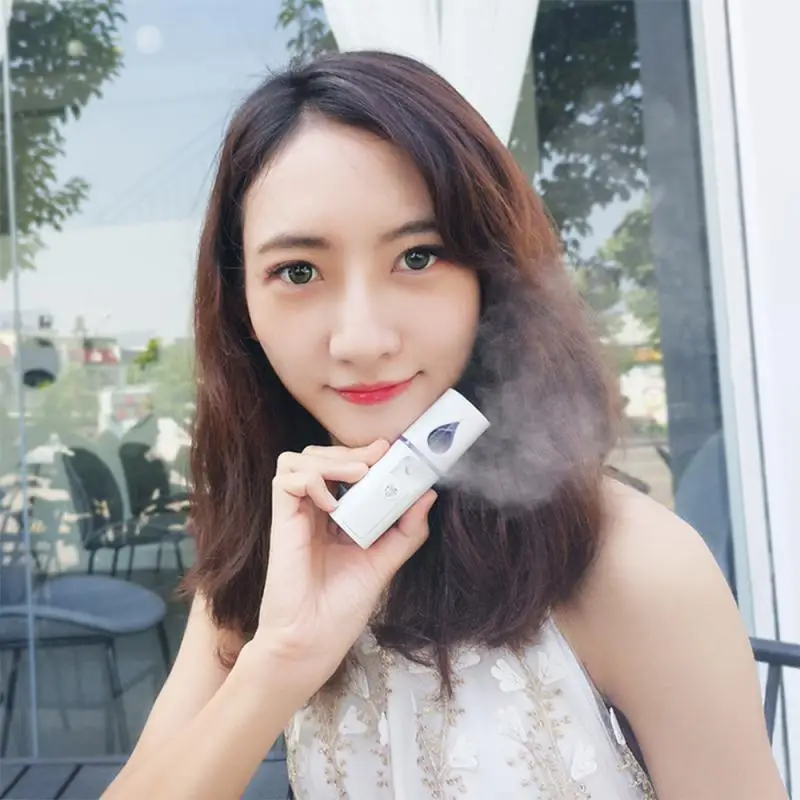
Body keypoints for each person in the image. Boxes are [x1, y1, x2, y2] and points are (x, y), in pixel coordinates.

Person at [103, 51, 786, 799]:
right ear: (242, 308)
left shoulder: (633, 565)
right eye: (299, 271)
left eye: (418, 256)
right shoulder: (280, 546)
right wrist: (282, 659)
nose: (362, 338)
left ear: (494, 276)